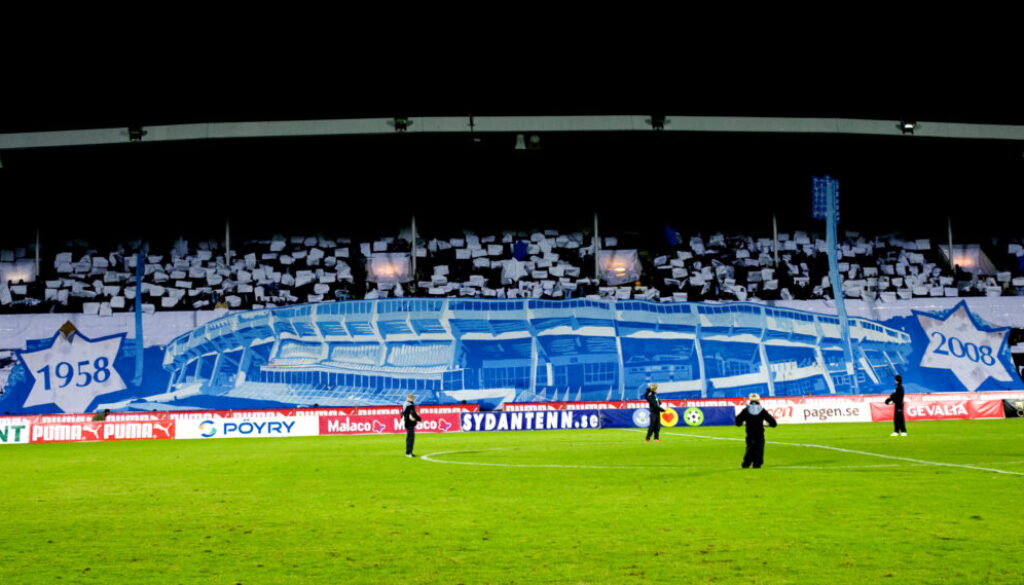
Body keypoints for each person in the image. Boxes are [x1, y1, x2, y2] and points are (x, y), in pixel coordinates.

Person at [734, 393, 777, 468]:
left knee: (750, 447)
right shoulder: (762, 410)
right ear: (758, 400)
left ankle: (746, 463)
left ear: (749, 400)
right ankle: (757, 463)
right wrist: (768, 425)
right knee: (759, 448)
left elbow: (737, 421)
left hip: (750, 433)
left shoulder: (746, 410)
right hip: (759, 433)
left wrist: (741, 423)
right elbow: (773, 423)